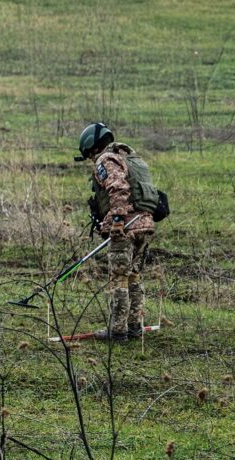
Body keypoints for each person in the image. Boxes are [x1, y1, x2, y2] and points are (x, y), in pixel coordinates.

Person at [76, 123, 157, 341]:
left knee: (119, 278)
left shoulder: (106, 160)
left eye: (89, 155)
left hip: (126, 227)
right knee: (134, 276)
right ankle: (134, 326)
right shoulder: (128, 158)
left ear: (92, 148)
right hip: (144, 224)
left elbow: (118, 188)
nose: (91, 160)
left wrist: (118, 221)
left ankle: (118, 330)